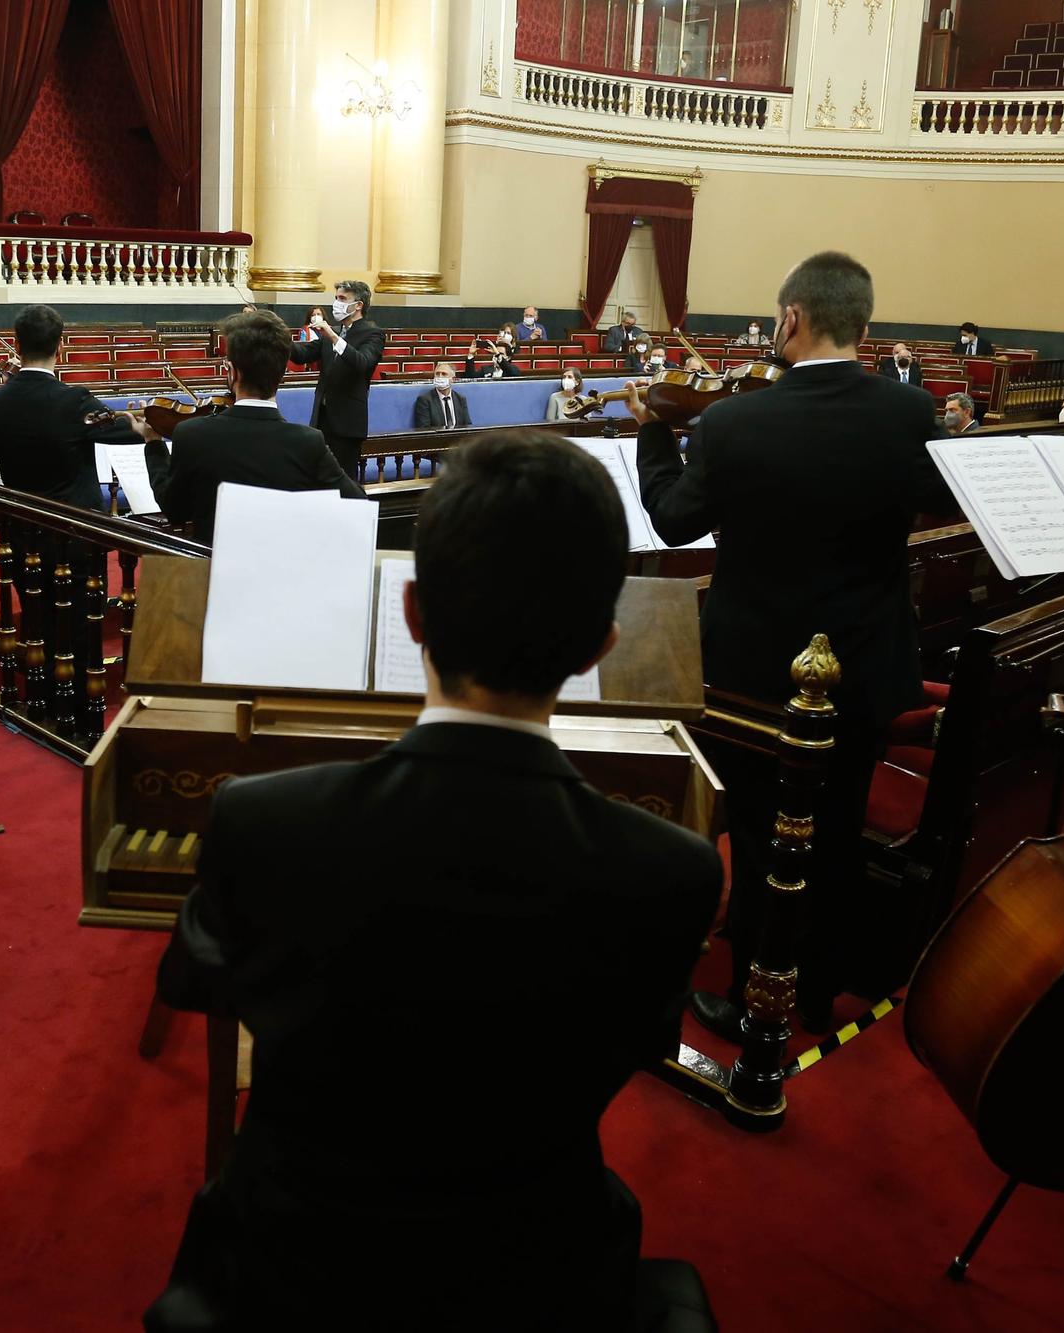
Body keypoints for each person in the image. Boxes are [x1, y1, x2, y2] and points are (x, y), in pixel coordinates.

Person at [144, 431, 722, 1332]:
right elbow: (633, 1043)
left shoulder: (265, 819)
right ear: (598, 644)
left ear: (411, 613)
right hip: (538, 1269)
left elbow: (191, 980)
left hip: (292, 1256)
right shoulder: (674, 871)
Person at [630, 250, 956, 1036]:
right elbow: (931, 500)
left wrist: (651, 432)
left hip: (754, 670)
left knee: (757, 826)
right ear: (865, 326)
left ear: (791, 319)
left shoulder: (737, 421)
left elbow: (674, 520)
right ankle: (817, 987)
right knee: (837, 825)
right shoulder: (911, 414)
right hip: (867, 663)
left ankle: (751, 993)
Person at [137, 311, 363, 543]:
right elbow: (356, 501)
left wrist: (153, 444)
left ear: (232, 372)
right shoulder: (308, 441)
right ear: (282, 373)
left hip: (215, 571)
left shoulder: (192, 434)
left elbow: (175, 511)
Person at [0, 303, 144, 512]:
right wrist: (142, 423)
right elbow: (127, 432)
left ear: (17, 346)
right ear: (60, 347)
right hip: (74, 529)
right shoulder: (73, 400)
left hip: (22, 525)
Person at [288, 280, 382, 478]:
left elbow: (362, 363)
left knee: (344, 480)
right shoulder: (334, 333)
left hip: (347, 423)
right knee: (319, 478)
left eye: (342, 299)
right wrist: (278, 335)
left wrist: (333, 338)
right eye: (336, 298)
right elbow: (301, 354)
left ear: (358, 305)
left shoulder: (372, 333)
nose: (336, 303)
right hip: (322, 420)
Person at [412, 360, 472, 429]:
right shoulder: (425, 400)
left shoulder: (460, 399)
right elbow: (424, 429)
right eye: (437, 374)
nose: (440, 377)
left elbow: (467, 426)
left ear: (453, 379)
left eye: (444, 374)